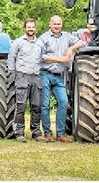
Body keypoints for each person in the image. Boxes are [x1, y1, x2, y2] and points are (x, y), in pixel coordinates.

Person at [38, 15, 83, 143]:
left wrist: (70, 48)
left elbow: (82, 42)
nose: (57, 26)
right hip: (45, 74)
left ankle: (61, 133)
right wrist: (60, 59)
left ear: (61, 25)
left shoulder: (67, 36)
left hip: (58, 76)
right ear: (50, 24)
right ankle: (47, 133)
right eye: (54, 24)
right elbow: (41, 56)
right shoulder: (44, 38)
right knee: (45, 105)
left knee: (63, 102)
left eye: (59, 24)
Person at [7, 18, 43, 142]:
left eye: (33, 27)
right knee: (21, 105)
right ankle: (19, 132)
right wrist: (13, 74)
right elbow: (11, 58)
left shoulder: (40, 44)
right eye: (29, 27)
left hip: (36, 77)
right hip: (22, 76)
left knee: (36, 106)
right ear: (25, 28)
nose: (31, 29)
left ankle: (36, 132)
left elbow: (42, 59)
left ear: (35, 28)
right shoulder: (18, 42)